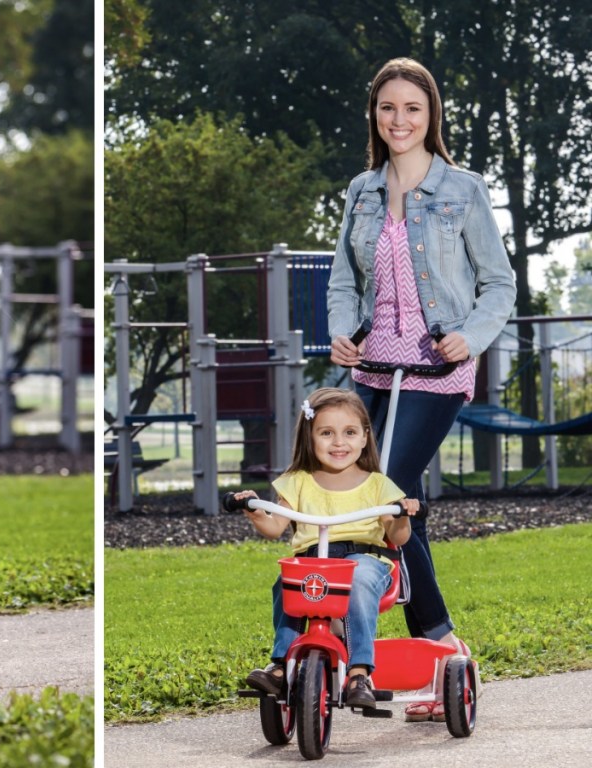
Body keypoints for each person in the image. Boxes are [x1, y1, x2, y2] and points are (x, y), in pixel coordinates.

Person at [327, 57, 515, 720]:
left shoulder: (462, 189)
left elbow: (500, 283)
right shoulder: (361, 190)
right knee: (397, 505)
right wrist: (341, 331)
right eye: (387, 109)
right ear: (374, 117)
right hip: (371, 367)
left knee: (385, 489)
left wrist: (474, 334)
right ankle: (443, 658)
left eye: (411, 108)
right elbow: (344, 280)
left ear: (431, 114)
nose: (398, 120)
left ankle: (431, 649)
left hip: (438, 369)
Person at [236, 388, 420, 709]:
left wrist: (402, 515)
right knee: (286, 582)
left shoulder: (379, 484)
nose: (339, 442)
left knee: (359, 577)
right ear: (310, 437)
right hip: (312, 566)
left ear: (364, 437)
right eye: (326, 433)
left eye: (349, 433)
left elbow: (398, 536)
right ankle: (281, 664)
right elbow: (274, 527)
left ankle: (360, 672)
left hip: (366, 562)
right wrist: (255, 512)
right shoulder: (297, 481)